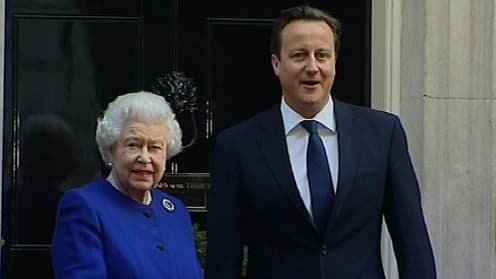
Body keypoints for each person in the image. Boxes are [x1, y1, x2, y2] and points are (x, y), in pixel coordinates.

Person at [206, 5, 436, 279]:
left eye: (322, 55)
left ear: (334, 62)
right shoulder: (237, 146)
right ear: (276, 64)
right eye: (299, 55)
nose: (312, 67)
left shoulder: (383, 135)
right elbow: (223, 257)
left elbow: (412, 242)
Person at [52, 91, 204, 279]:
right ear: (111, 150)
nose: (145, 157)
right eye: (133, 145)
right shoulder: (85, 206)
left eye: (155, 147)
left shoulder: (176, 211)